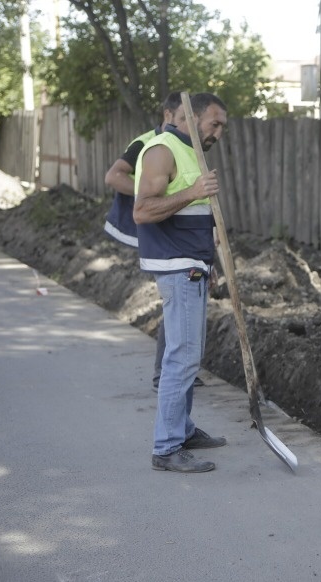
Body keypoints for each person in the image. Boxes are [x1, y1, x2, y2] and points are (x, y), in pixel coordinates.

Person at [134, 92, 228, 473]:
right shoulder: (162, 150)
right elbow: (142, 210)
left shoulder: (191, 152)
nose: (219, 133)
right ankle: (167, 447)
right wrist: (193, 191)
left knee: (188, 354)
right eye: (214, 124)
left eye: (222, 126)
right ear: (191, 117)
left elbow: (194, 212)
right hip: (176, 267)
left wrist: (210, 260)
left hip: (193, 264)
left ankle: (183, 430)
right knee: (182, 357)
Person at [103, 92, 205, 392]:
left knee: (175, 301)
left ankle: (176, 370)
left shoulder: (184, 145)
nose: (190, 125)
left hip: (166, 226)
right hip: (147, 226)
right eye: (184, 118)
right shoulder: (150, 144)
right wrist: (150, 199)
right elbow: (113, 176)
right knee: (174, 297)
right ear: (168, 116)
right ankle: (166, 373)